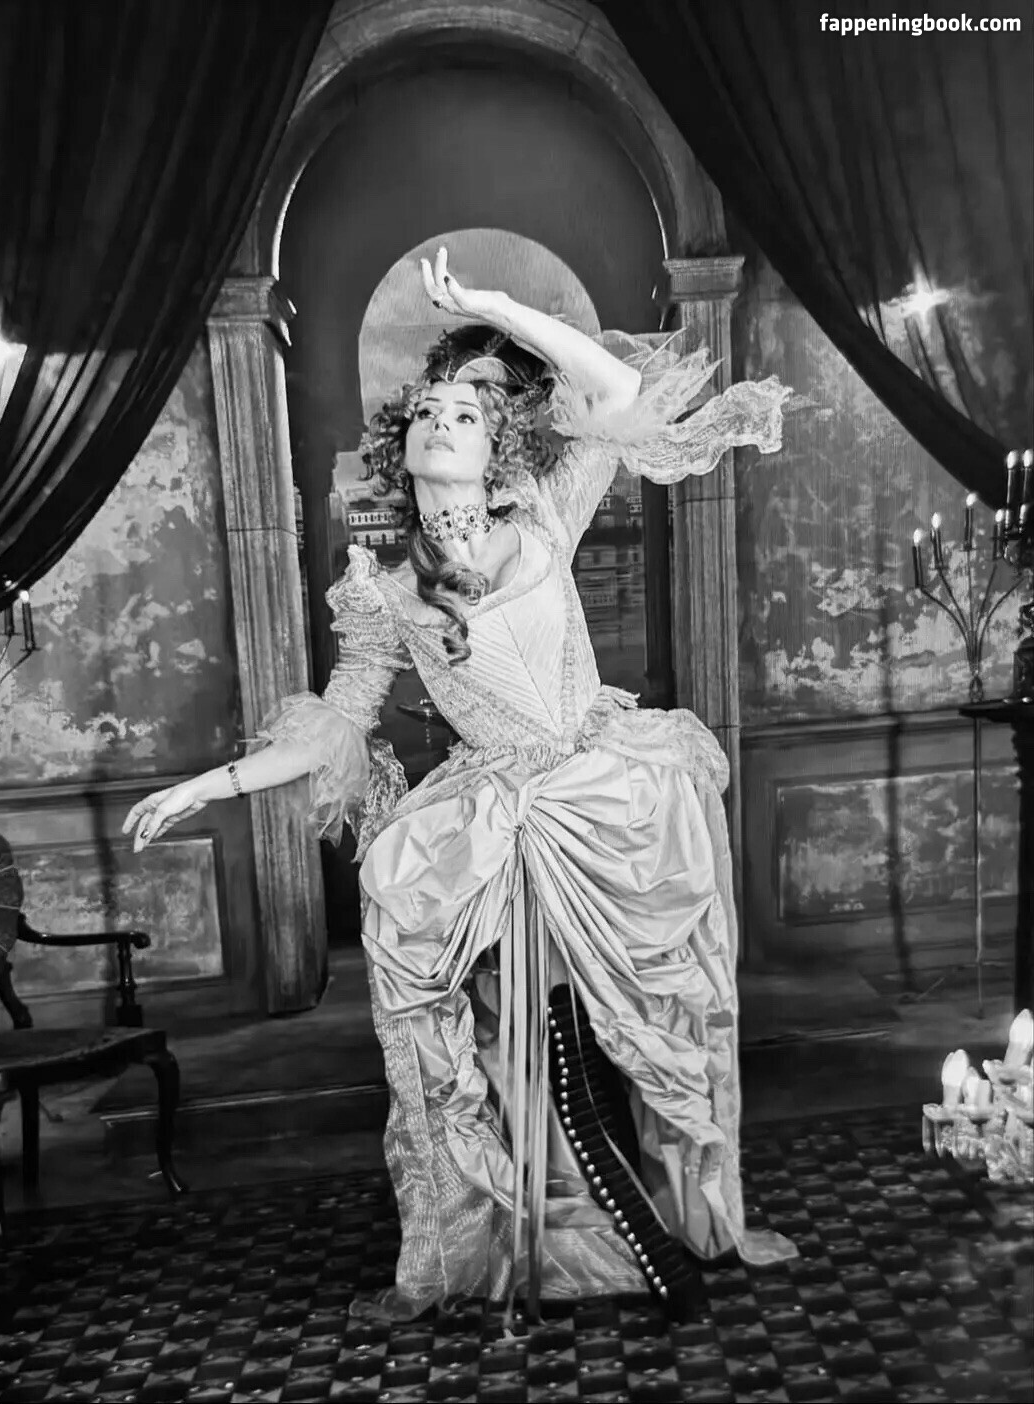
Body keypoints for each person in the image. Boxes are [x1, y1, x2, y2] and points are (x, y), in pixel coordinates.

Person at [123, 247, 798, 1324]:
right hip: (498, 827)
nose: (445, 420)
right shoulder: (386, 591)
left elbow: (617, 391)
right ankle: (540, 1234)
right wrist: (209, 783)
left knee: (661, 1027)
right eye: (429, 412)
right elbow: (337, 721)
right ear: (403, 445)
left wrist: (494, 305)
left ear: (499, 446)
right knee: (524, 1045)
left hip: (607, 803)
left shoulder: (547, 513)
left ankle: (693, 1219)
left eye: (469, 414)